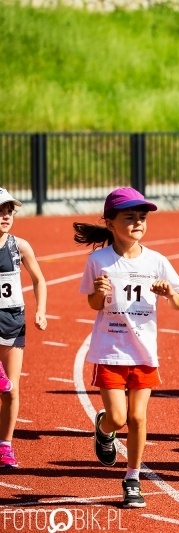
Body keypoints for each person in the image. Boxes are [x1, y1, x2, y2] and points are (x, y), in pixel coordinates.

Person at [75, 187, 179, 508]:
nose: (138, 223)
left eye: (142, 217)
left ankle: (133, 478)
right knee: (118, 417)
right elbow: (94, 304)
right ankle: (103, 426)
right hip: (109, 350)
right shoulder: (99, 260)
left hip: (143, 352)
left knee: (138, 418)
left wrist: (169, 293)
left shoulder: (157, 261)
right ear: (110, 223)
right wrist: (98, 291)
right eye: (130, 217)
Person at [0, 188, 47, 468]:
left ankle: (5, 446)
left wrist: (41, 310)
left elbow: (39, 280)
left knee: (11, 390)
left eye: (9, 211)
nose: (5, 216)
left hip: (13, 320)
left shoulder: (20, 246)